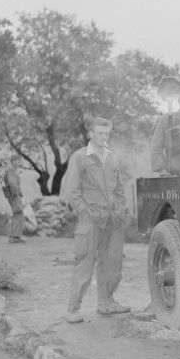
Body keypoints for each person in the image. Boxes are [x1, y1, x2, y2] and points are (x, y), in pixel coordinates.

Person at [63, 117, 129, 323]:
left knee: (113, 261)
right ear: (91, 134)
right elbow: (71, 191)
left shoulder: (112, 158)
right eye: (99, 133)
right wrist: (85, 212)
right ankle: (73, 309)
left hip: (113, 219)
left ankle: (106, 303)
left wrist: (119, 210)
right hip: (90, 219)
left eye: (107, 133)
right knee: (85, 262)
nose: (103, 137)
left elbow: (119, 189)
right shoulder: (80, 157)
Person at [3, 154, 26, 243]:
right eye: (19, 161)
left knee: (17, 213)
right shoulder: (10, 170)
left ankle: (15, 236)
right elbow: (12, 184)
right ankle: (14, 237)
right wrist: (17, 193)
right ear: (14, 161)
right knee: (18, 213)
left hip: (12, 194)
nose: (20, 163)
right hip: (14, 195)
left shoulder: (9, 170)